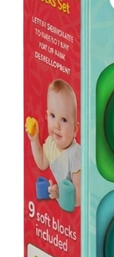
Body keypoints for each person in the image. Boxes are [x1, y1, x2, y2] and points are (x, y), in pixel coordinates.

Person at [27, 79, 81, 207]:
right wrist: (34, 140)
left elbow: (79, 197)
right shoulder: (51, 142)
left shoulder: (76, 154)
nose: (56, 125)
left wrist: (60, 193)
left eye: (64, 120)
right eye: (52, 115)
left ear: (74, 129)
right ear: (46, 116)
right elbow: (42, 163)